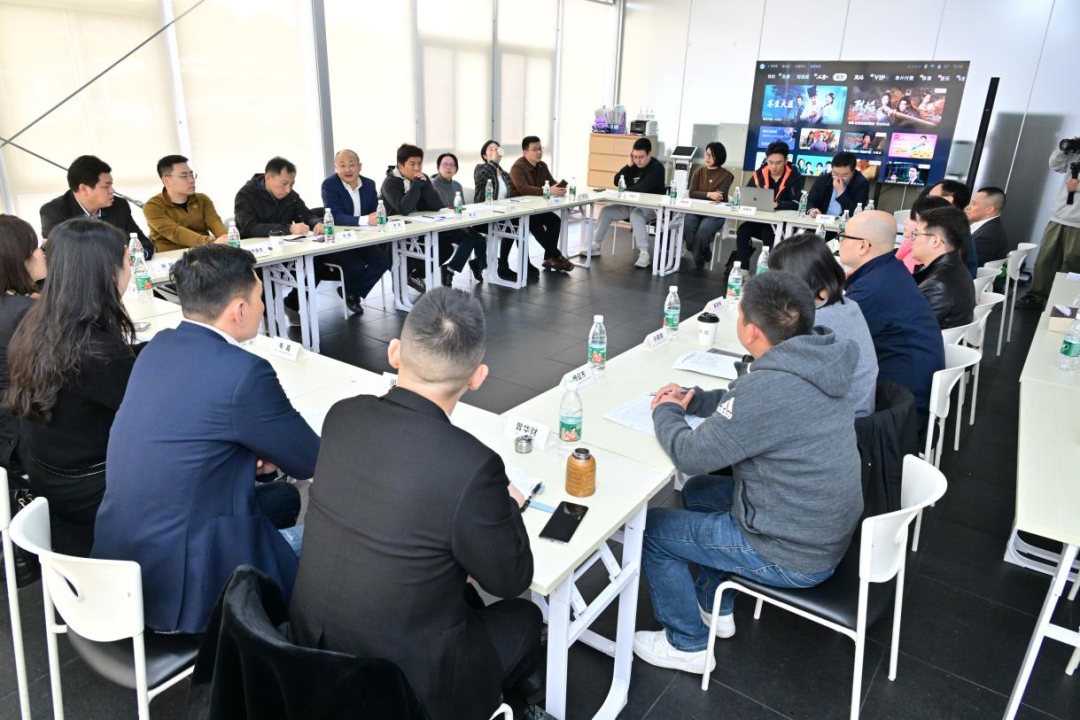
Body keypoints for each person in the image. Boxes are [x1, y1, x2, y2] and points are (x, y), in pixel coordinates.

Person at [290, 288, 542, 720]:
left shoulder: (342, 415)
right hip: (402, 686)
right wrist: (509, 505)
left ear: (394, 352)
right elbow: (510, 579)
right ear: (477, 377)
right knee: (525, 618)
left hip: (307, 650)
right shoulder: (473, 466)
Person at [633, 271, 862, 673]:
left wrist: (666, 411)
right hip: (821, 528)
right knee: (701, 492)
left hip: (791, 553)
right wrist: (696, 400)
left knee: (651, 532)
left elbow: (689, 454)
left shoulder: (770, 388)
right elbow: (747, 405)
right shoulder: (817, 360)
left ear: (751, 330)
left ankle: (687, 644)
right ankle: (714, 605)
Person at [92, 244, 317, 634]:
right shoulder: (245, 373)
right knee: (332, 545)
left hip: (121, 567)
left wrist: (245, 458)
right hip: (186, 589)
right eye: (260, 297)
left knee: (282, 498)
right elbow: (311, 460)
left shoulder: (156, 349)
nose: (263, 307)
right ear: (239, 310)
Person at [5, 219, 136, 556]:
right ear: (106, 272)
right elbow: (150, 420)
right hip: (94, 494)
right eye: (127, 259)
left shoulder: (36, 324)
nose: (130, 267)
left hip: (51, 479)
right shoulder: (95, 350)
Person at [840, 210, 945, 421]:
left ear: (863, 246)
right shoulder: (890, 270)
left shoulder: (870, 289)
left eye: (843, 236)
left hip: (898, 409)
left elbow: (831, 341)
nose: (840, 242)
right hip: (912, 390)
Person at [769, 233, 878, 417]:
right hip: (855, 412)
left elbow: (780, 378)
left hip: (839, 422)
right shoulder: (846, 304)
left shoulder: (817, 323)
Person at [380, 144, 486, 287]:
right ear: (400, 165)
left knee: (448, 247)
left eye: (419, 163)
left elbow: (436, 206)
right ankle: (402, 274)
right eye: (412, 164)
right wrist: (416, 185)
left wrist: (426, 185)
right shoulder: (390, 183)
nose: (417, 168)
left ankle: (415, 274)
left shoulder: (422, 179)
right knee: (437, 247)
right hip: (400, 232)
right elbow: (404, 209)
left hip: (426, 226)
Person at [0, 215, 47, 478]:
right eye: (35, 248)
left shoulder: (15, 306)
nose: (42, 254)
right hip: (24, 438)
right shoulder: (25, 312)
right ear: (18, 258)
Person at [319, 148, 395, 304]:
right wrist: (365, 220)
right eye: (342, 165)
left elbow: (377, 210)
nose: (347, 169)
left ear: (359, 167)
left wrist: (378, 216)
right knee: (356, 265)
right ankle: (352, 295)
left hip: (363, 238)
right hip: (340, 240)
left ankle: (351, 292)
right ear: (336, 167)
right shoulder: (329, 185)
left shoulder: (368, 184)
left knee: (383, 262)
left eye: (351, 165)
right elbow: (335, 216)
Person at [39, 155, 153, 257]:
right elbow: (61, 258)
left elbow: (143, 244)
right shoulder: (54, 212)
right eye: (106, 186)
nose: (112, 191)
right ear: (84, 189)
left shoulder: (119, 205)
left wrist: (135, 256)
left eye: (111, 185)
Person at [1017, 138, 1080, 309]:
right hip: (1059, 216)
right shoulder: (1077, 153)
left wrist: (1077, 187)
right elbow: (1055, 165)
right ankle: (1036, 296)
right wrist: (1065, 150)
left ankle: (1064, 303)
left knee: (1072, 264)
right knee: (1045, 259)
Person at [585, 137, 667, 268]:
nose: (638, 160)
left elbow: (643, 187)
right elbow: (616, 181)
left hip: (651, 208)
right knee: (606, 211)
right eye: (635, 156)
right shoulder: (632, 166)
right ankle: (596, 245)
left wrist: (622, 192)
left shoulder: (657, 168)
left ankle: (644, 253)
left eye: (641, 157)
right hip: (631, 204)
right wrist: (628, 166)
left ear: (649, 154)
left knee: (636, 214)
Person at [509, 136, 576, 273]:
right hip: (520, 209)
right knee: (536, 224)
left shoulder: (542, 165)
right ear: (525, 152)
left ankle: (549, 258)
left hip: (537, 207)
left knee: (554, 220)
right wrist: (548, 190)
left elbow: (551, 182)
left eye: (540, 149)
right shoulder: (517, 167)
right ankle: (557, 255)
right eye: (534, 149)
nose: (539, 152)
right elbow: (524, 189)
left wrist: (559, 188)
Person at [733, 141, 804, 270]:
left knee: (768, 233)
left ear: (786, 160)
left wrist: (778, 204)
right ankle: (742, 270)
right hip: (760, 219)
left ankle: (769, 272)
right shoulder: (759, 174)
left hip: (780, 224)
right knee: (743, 231)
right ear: (766, 160)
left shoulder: (795, 177)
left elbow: (798, 203)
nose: (774, 166)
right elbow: (747, 194)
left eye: (778, 163)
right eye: (770, 162)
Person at [142, 154, 228, 252]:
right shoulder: (152, 206)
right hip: (172, 256)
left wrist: (225, 239)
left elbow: (215, 222)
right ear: (167, 181)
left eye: (191, 175)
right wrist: (211, 242)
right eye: (184, 176)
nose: (192, 180)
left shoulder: (202, 199)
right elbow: (175, 233)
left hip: (204, 252)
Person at [911, 205, 977, 329]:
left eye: (916, 234)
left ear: (935, 241)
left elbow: (908, 329)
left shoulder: (937, 286)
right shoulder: (956, 267)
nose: (911, 239)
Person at [431, 152, 486, 282]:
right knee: (469, 240)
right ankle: (449, 270)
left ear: (456, 169)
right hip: (441, 226)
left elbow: (462, 208)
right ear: (438, 167)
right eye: (445, 164)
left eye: (452, 165)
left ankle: (477, 265)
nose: (448, 167)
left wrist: (463, 224)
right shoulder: (432, 185)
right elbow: (436, 211)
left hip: (457, 223)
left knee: (480, 239)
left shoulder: (457, 185)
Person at [473, 139, 523, 282]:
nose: (495, 150)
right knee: (512, 226)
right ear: (484, 156)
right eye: (491, 149)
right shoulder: (480, 169)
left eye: (497, 148)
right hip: (483, 217)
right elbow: (481, 177)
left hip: (501, 215)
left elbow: (509, 196)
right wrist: (494, 161)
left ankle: (502, 264)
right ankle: (489, 264)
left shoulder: (505, 174)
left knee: (517, 223)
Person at [680, 142, 734, 269]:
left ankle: (697, 257)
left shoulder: (727, 175)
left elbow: (719, 196)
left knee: (703, 231)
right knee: (687, 227)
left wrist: (704, 195)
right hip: (695, 210)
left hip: (715, 213)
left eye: (711, 155)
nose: (707, 157)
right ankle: (704, 251)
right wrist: (709, 194)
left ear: (719, 157)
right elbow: (692, 193)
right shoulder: (698, 172)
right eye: (706, 154)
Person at [925, 180, 978, 275]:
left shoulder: (947, 226)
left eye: (930, 197)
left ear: (948, 199)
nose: (926, 201)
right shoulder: (958, 221)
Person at [807, 151, 870, 219]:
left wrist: (841, 192)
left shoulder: (862, 184)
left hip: (845, 223)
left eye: (844, 175)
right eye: (835, 174)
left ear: (853, 171)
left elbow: (856, 213)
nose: (839, 178)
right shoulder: (823, 179)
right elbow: (811, 201)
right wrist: (812, 210)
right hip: (822, 220)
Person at [965, 186, 1009, 264]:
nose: (967, 207)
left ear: (989, 209)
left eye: (974, 203)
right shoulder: (991, 227)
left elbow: (966, 264)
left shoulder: (987, 237)